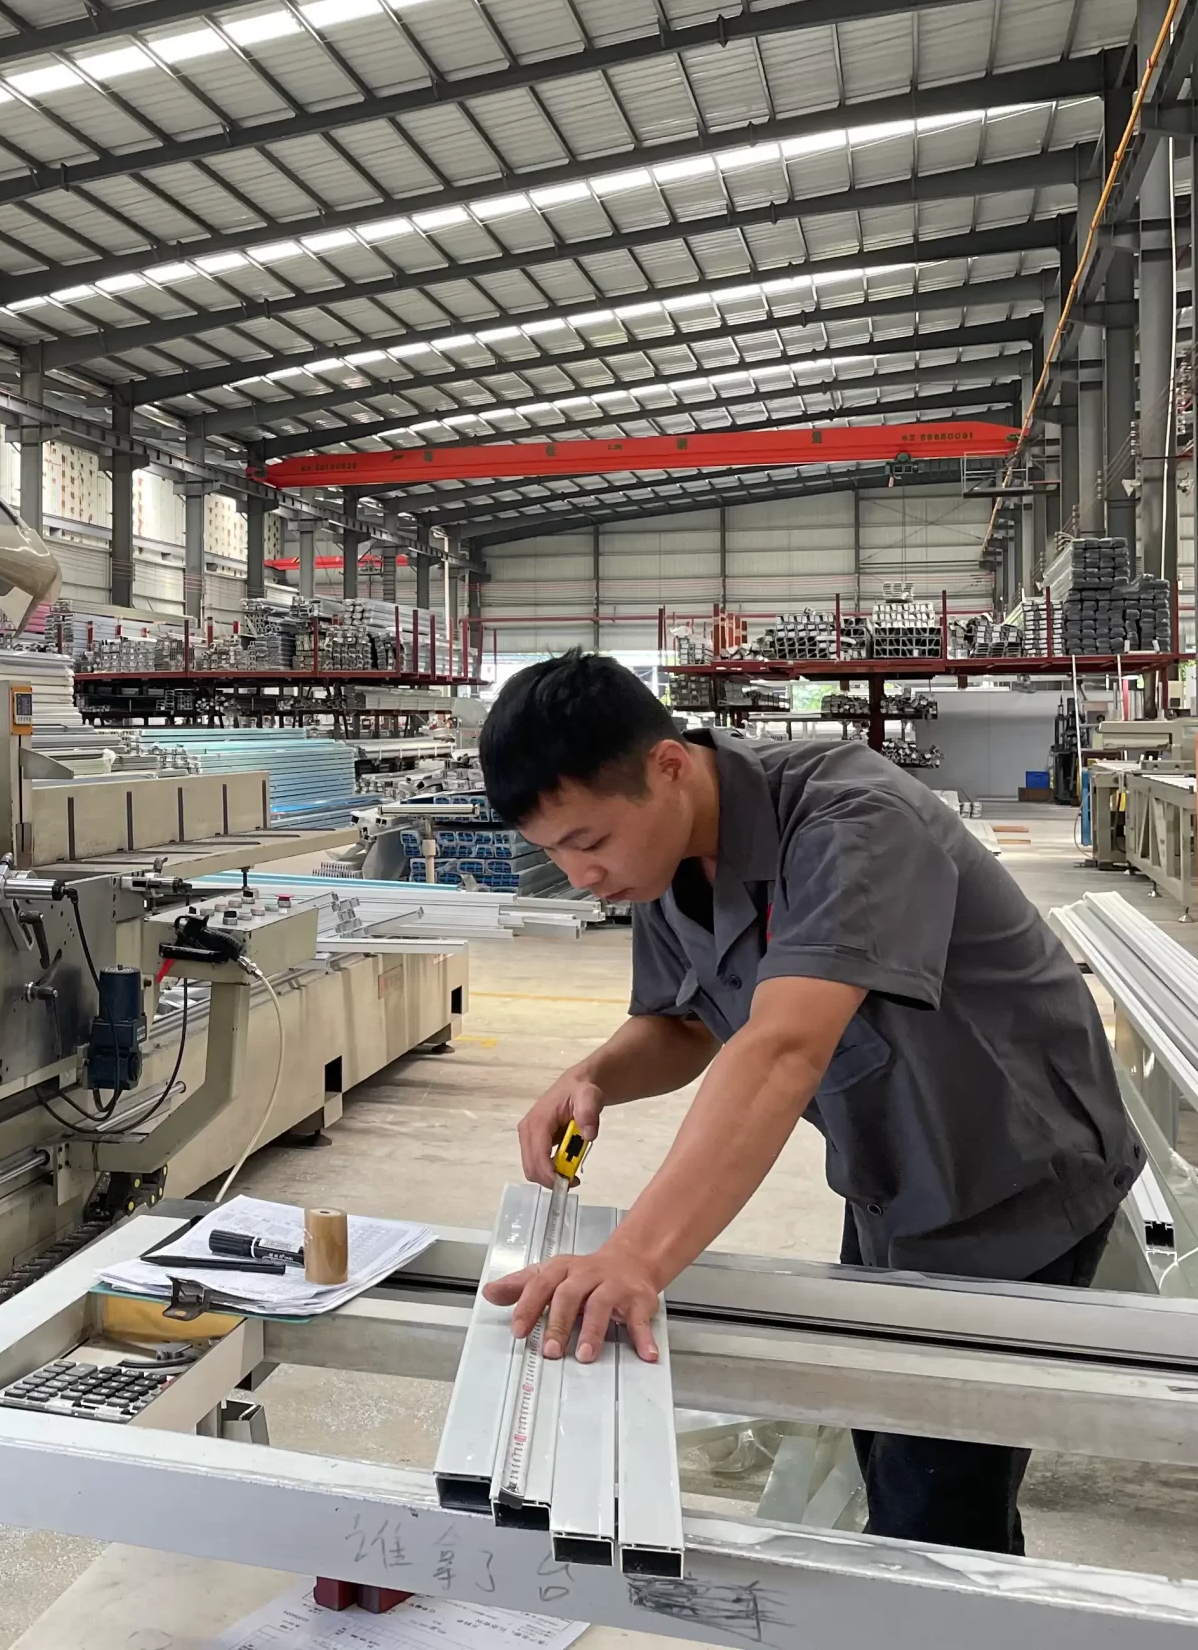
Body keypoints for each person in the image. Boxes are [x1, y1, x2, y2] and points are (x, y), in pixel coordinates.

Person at [476, 651, 1141, 1554]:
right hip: (894, 1174)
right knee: (881, 1426)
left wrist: (633, 1257)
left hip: (1015, 1176)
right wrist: (594, 1076)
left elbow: (782, 1046)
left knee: (938, 1501)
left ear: (668, 766)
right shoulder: (666, 858)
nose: (578, 874)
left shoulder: (854, 820)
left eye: (587, 842)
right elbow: (686, 1023)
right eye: (553, 852)